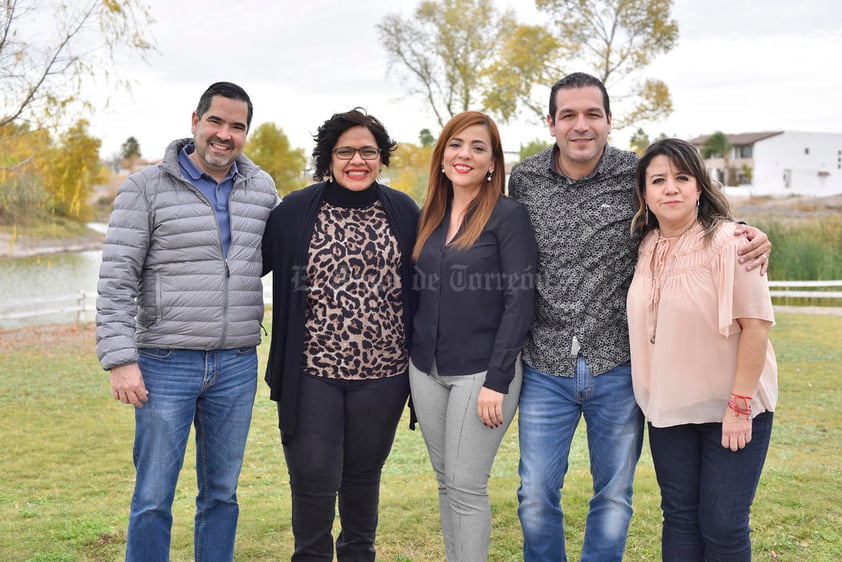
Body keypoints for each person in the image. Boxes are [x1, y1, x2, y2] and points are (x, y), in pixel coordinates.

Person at [507, 72, 772, 562]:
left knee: (613, 498)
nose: (580, 125)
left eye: (592, 114)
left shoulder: (637, 175)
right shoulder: (523, 179)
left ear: (610, 120)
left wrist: (746, 234)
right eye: (568, 115)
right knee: (535, 495)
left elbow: (689, 215)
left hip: (619, 369)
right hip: (545, 364)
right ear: (550, 123)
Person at [95, 81, 279, 561]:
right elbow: (116, 278)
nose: (225, 134)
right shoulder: (145, 187)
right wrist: (119, 359)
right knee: (153, 497)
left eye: (237, 126)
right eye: (216, 121)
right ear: (195, 122)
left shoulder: (261, 189)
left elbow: (271, 257)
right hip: (164, 363)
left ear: (245, 133)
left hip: (237, 364)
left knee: (222, 494)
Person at [261, 108, 419, 561]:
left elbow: (436, 276)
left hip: (383, 376)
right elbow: (245, 264)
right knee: (312, 480)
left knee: (362, 480)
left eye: (368, 151)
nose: (357, 160)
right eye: (345, 151)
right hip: (311, 374)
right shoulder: (294, 210)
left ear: (381, 158)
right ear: (328, 158)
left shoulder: (403, 210)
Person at [627, 138, 777, 560]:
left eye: (681, 178)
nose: (670, 188)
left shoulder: (733, 243)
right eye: (658, 180)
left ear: (698, 188)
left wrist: (739, 405)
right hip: (668, 411)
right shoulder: (642, 247)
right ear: (645, 194)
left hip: (730, 410)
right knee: (678, 518)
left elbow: (756, 327)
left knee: (724, 526)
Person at [409, 111, 537, 561]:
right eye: (456, 144)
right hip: (425, 371)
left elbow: (519, 301)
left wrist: (497, 381)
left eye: (478, 147)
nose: (465, 154)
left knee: (466, 486)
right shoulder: (428, 216)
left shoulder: (508, 216)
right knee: (446, 482)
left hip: (482, 373)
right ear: (442, 155)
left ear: (492, 163)